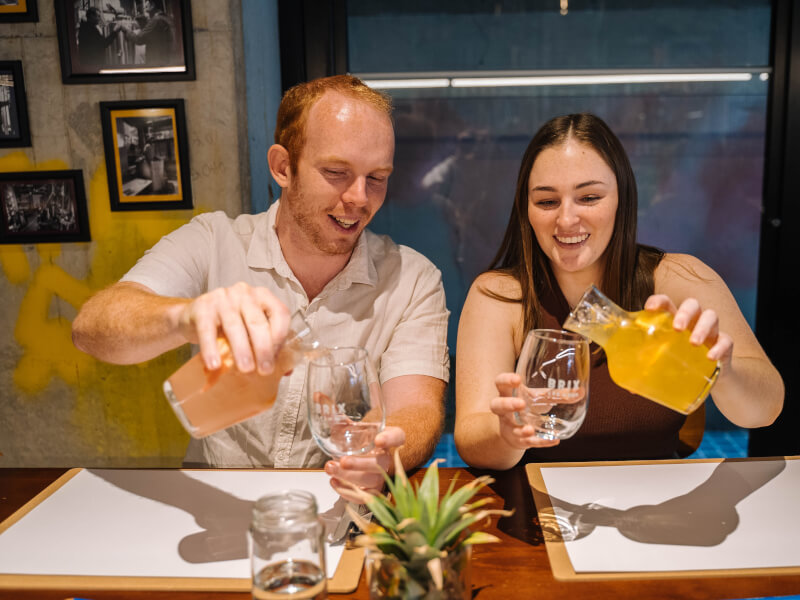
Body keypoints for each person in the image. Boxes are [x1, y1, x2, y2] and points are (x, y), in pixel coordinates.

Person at [72, 75, 449, 500]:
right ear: (283, 167)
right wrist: (185, 317)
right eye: (336, 172)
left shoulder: (412, 277)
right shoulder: (214, 241)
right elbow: (93, 328)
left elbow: (416, 406)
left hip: (338, 507)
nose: (359, 198)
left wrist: (384, 455)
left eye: (377, 177)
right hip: (216, 502)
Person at [454, 113, 783, 470]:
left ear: (621, 199)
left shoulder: (678, 278)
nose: (566, 220)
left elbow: (764, 412)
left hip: (660, 508)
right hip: (542, 506)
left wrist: (723, 369)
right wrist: (510, 431)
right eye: (547, 202)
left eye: (589, 197)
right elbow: (471, 440)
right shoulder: (500, 295)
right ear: (526, 210)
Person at [118, 0, 176, 66]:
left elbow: (138, 39)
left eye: (146, 1)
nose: (144, 5)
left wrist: (125, 29)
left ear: (152, 5)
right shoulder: (166, 18)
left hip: (156, 63)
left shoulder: (156, 20)